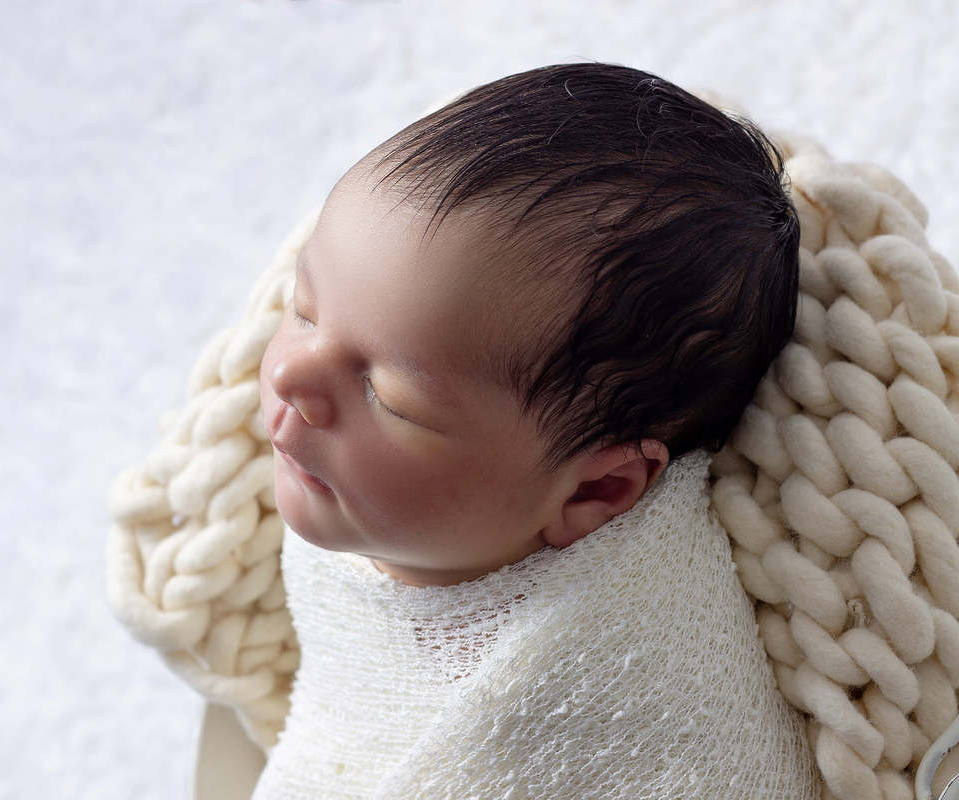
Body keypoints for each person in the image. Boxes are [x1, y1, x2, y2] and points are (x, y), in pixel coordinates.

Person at [249, 62, 820, 798]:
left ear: (599, 488)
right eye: (303, 308)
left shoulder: (607, 696)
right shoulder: (394, 501)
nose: (294, 376)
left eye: (390, 398)